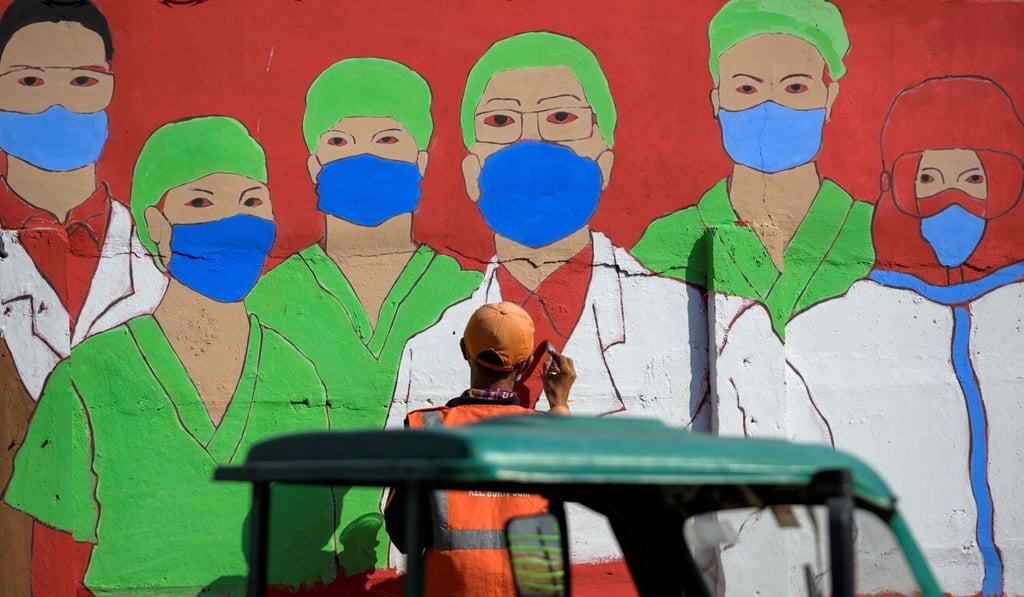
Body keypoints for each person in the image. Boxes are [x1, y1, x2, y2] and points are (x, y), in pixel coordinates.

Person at [4, 116, 342, 594]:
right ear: (157, 226)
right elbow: (53, 558)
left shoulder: (296, 375)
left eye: (252, 202)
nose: (232, 223)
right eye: (201, 202)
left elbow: (315, 551)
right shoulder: (87, 375)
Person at [786, 76, 1024, 596]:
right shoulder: (836, 326)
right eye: (929, 178)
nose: (952, 199)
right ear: (897, 185)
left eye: (974, 178)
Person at [245, 57, 484, 574]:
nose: (363, 157)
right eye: (339, 142)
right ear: (314, 164)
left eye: (386, 140)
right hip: (299, 570)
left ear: (421, 159)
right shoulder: (266, 300)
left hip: (431, 562)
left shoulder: (467, 295)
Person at [0, 1, 164, 594]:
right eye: (29, 82)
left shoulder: (159, 266)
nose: (57, 104)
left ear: (110, 89)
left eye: (83, 81)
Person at [632, 0, 873, 339]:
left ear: (829, 98)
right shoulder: (664, 241)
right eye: (746, 88)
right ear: (717, 102)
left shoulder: (870, 231)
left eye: (795, 87)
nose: (770, 105)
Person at [385, 301, 574, 597]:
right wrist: (559, 405)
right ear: (526, 364)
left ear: (464, 349)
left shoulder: (428, 429)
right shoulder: (547, 435)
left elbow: (404, 535)